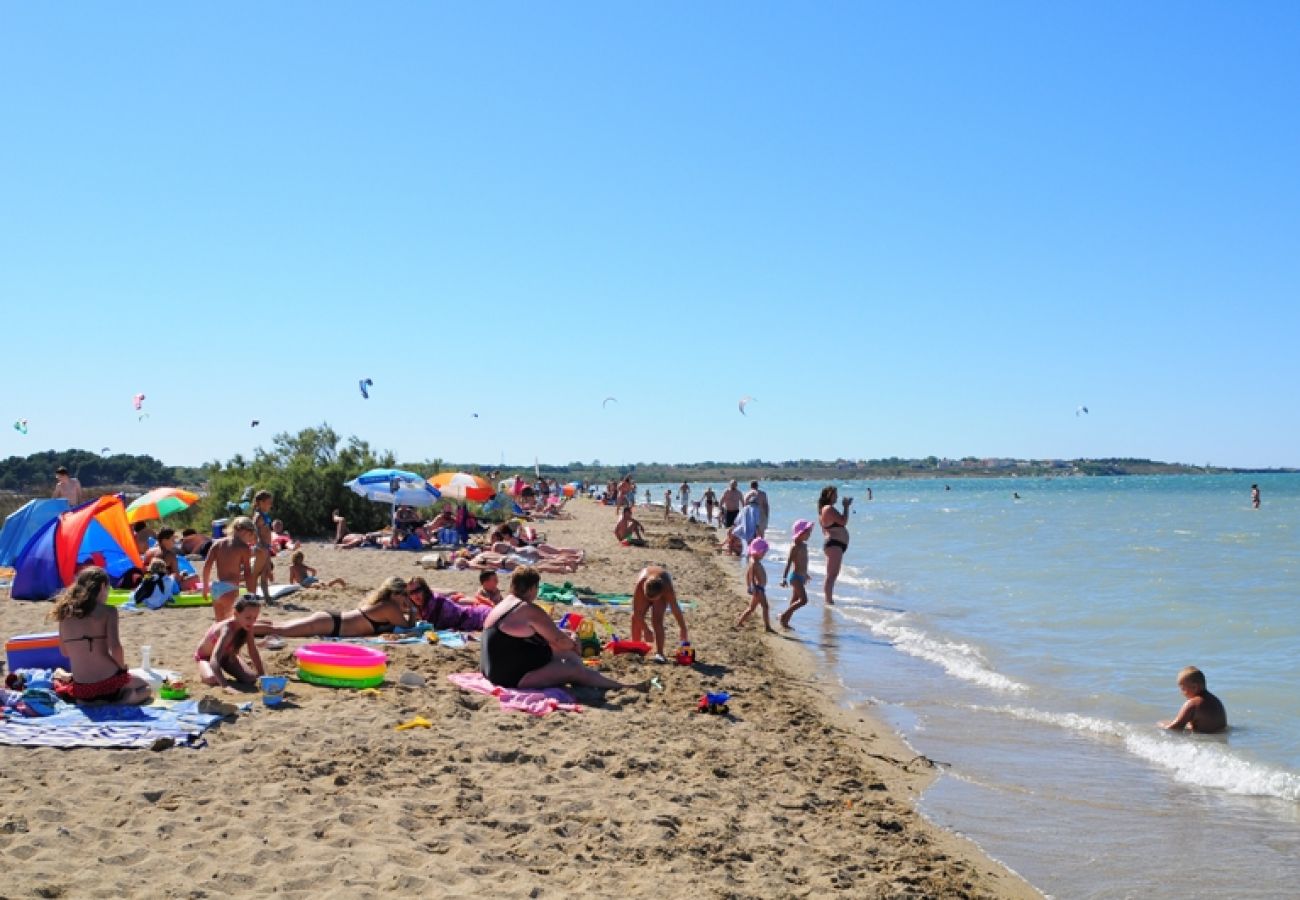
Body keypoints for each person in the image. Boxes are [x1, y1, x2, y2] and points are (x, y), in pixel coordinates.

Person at [480, 567, 649, 691]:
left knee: (566, 653)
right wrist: (574, 642)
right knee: (573, 668)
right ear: (532, 589)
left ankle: (586, 674)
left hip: (491, 668)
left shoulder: (504, 604)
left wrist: (567, 642)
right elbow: (559, 640)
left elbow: (548, 635)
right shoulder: (528, 609)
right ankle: (621, 686)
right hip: (509, 677)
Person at [49, 567, 153, 705]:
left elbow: (65, 652)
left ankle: (90, 702)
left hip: (83, 689)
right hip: (109, 684)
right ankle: (126, 700)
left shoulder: (65, 614)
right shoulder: (108, 611)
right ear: (103, 586)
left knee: (74, 685)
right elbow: (115, 647)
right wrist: (122, 669)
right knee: (145, 687)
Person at [255, 576, 417, 639]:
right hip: (331, 624)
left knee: (280, 626)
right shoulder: (389, 607)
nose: (406, 598)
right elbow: (407, 628)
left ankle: (247, 625)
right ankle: (246, 628)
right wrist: (413, 611)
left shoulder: (385, 605)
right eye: (404, 594)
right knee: (280, 630)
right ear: (395, 594)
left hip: (332, 621)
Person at [195, 595, 266, 691]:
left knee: (250, 679)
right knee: (212, 679)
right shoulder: (227, 630)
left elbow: (252, 650)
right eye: (248, 617)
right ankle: (204, 669)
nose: (252, 621)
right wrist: (225, 686)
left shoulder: (248, 625)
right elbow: (214, 659)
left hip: (227, 656)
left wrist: (262, 675)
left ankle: (229, 666)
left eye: (255, 617)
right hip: (206, 658)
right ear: (236, 614)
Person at [202, 516, 257, 621]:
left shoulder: (217, 543)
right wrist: (252, 593)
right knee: (232, 623)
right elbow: (248, 573)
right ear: (244, 531)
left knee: (219, 622)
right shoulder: (243, 548)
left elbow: (207, 566)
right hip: (230, 589)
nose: (250, 539)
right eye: (250, 535)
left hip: (216, 588)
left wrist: (205, 586)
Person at [631, 566, 689, 662]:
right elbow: (636, 613)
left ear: (662, 594)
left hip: (662, 585)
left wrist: (683, 628)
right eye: (648, 598)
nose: (650, 601)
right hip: (647, 582)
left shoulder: (667, 589)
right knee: (635, 619)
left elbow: (675, 608)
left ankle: (660, 653)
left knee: (657, 621)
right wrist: (646, 630)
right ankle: (636, 649)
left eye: (653, 599)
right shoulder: (640, 585)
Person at [1159, 666, 1228, 734]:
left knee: (1162, 723)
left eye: (1183, 689)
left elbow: (1175, 728)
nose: (1182, 693)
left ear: (1194, 687)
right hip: (1219, 739)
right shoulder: (1215, 700)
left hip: (1203, 743)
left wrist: (1160, 725)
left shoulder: (1192, 704)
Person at [818, 486, 852, 606]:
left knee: (832, 574)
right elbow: (843, 521)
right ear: (828, 496)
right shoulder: (828, 508)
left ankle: (828, 600)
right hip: (834, 544)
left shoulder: (823, 509)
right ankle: (828, 601)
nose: (837, 497)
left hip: (835, 544)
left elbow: (825, 529)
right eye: (834, 495)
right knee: (832, 574)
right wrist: (846, 507)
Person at [779, 519, 814, 628]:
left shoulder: (804, 546)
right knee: (803, 600)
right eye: (807, 532)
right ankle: (783, 615)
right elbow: (789, 563)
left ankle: (785, 622)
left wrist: (806, 573)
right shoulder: (794, 547)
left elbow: (804, 561)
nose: (809, 535)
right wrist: (784, 578)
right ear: (801, 533)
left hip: (802, 577)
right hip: (795, 578)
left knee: (794, 600)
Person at [735, 538, 775, 633]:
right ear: (757, 552)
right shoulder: (754, 563)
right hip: (759, 589)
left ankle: (740, 622)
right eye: (763, 553)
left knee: (751, 608)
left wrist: (750, 586)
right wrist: (751, 587)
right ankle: (767, 627)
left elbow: (748, 574)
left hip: (759, 588)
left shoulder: (754, 561)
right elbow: (750, 575)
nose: (764, 555)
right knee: (765, 607)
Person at [249, 490, 275, 600]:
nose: (270, 505)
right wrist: (260, 545)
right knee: (255, 574)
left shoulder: (264, 515)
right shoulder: (258, 516)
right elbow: (254, 531)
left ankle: (267, 597)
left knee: (265, 573)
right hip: (261, 547)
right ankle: (251, 596)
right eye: (268, 502)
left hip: (266, 547)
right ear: (261, 502)